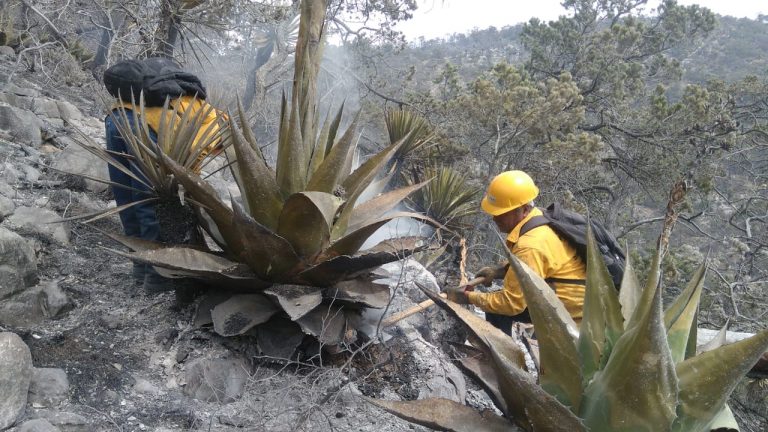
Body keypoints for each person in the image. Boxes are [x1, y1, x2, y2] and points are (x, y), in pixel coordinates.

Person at [103, 57, 224, 293]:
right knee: (152, 201)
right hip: (143, 126)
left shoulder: (177, 96)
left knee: (127, 197)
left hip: (116, 118)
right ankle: (158, 277)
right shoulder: (211, 121)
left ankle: (140, 265)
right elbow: (192, 154)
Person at [447, 170, 587, 335]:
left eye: (502, 213)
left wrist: (468, 297)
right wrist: (499, 271)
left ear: (525, 209)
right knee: (495, 310)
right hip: (558, 300)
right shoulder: (537, 217)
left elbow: (511, 304)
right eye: (494, 212)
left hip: (570, 317)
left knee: (499, 308)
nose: (495, 218)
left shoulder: (531, 245)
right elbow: (537, 268)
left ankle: (503, 357)